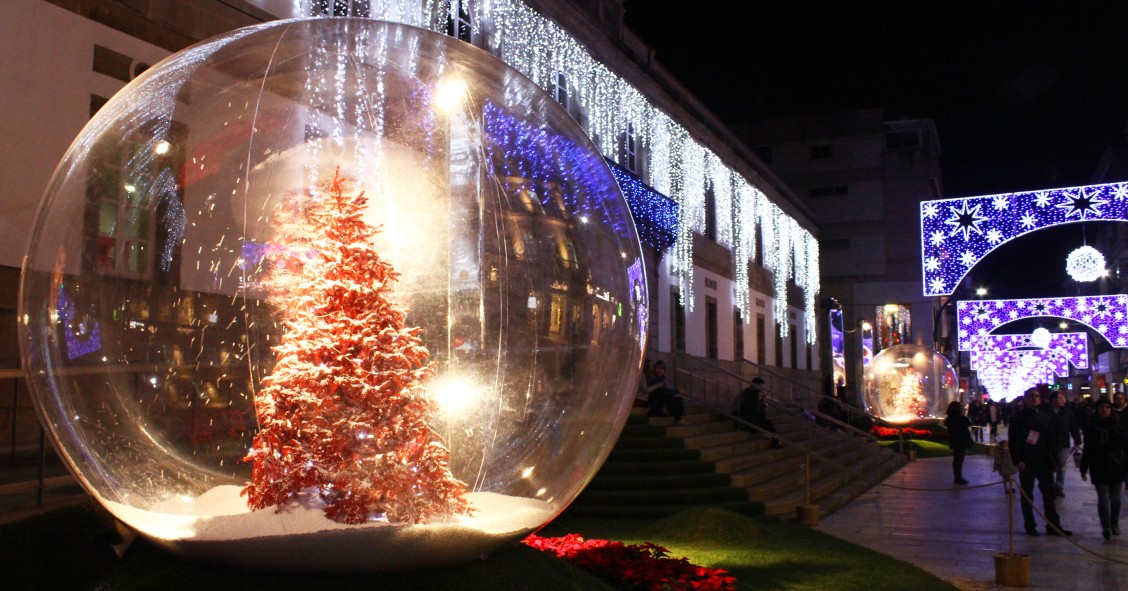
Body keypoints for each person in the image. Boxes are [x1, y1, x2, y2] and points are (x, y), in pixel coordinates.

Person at [1009, 388, 1072, 536]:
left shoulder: (1045, 416)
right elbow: (1014, 441)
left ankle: (1053, 525)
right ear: (1025, 399)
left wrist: (1056, 460)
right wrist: (1017, 460)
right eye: (1031, 396)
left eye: (1037, 396)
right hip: (1027, 460)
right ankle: (1030, 525)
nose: (1034, 398)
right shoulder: (1018, 417)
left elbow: (1051, 440)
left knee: (1049, 494)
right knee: (1027, 494)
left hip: (1043, 460)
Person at [1079, 398, 1127, 540]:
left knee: (1116, 498)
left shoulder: (1118, 426)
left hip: (1116, 465)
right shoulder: (1091, 426)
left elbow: (1125, 446)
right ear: (1097, 410)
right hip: (1098, 465)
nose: (1104, 410)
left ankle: (1115, 524)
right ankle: (1106, 526)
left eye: (1107, 407)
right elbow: (1087, 449)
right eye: (1102, 407)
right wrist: (1083, 468)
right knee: (1103, 498)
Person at [1045, 390, 1082, 497]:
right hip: (1047, 443)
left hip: (1062, 443)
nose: (1063, 400)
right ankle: (1049, 486)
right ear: (1053, 400)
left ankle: (1059, 486)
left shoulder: (1067, 412)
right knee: (1048, 465)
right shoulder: (1044, 411)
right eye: (1060, 398)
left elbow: (1073, 426)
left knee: (1062, 465)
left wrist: (1078, 440)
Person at [738, 377, 781, 447]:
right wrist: (763, 405)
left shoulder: (752, 393)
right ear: (756, 386)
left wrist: (761, 403)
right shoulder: (750, 394)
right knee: (769, 422)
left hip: (752, 417)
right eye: (761, 386)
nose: (762, 389)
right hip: (749, 419)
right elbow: (754, 409)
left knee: (768, 422)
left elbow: (756, 409)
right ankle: (776, 441)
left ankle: (776, 440)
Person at [944, 401, 973, 484]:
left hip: (955, 440)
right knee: (959, 459)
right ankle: (958, 478)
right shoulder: (960, 418)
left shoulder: (949, 418)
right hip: (960, 440)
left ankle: (957, 477)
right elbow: (968, 422)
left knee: (957, 459)